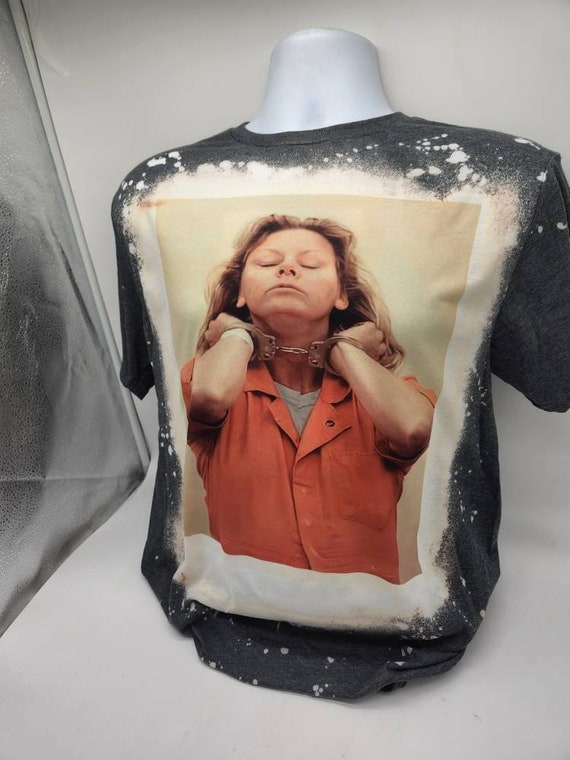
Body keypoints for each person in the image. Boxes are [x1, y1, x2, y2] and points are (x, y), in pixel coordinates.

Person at [180, 213, 437, 583]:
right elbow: (209, 396)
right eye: (268, 262)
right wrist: (238, 334)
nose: (287, 269)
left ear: (341, 294)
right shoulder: (206, 376)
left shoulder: (384, 394)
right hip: (250, 607)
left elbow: (414, 428)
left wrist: (344, 348)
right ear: (240, 292)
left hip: (361, 613)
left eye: (310, 264)